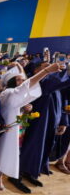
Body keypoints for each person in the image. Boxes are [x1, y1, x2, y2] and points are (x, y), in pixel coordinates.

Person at [0, 62, 60, 192]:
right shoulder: (8, 93)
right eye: (17, 79)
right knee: (0, 153)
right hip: (5, 129)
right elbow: (24, 88)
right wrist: (46, 71)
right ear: (11, 81)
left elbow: (20, 100)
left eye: (22, 80)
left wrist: (26, 108)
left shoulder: (14, 94)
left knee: (7, 153)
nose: (21, 82)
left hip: (17, 128)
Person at [19, 58, 70, 188]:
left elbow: (64, 100)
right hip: (39, 121)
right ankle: (26, 171)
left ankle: (37, 168)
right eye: (46, 67)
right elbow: (58, 81)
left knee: (46, 144)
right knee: (35, 145)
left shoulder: (52, 81)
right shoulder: (40, 82)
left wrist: (63, 121)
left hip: (53, 120)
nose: (51, 69)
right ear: (36, 70)